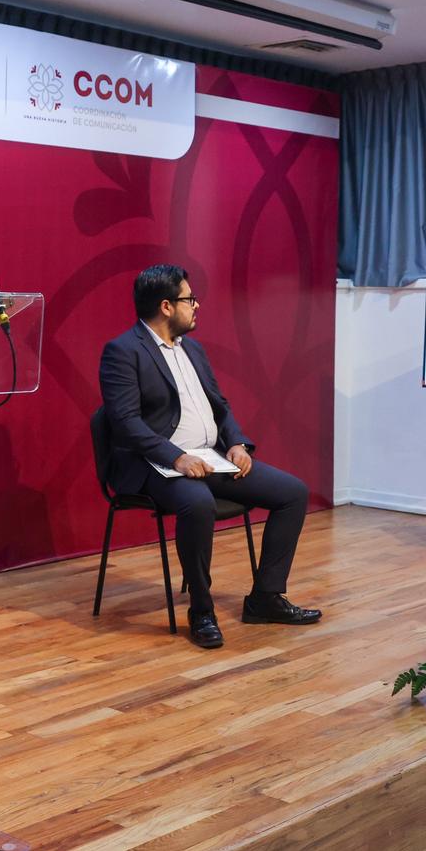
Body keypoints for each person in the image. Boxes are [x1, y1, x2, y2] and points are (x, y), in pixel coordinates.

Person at [98, 264, 323, 649]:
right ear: (166, 306)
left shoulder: (194, 349)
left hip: (210, 458)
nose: (197, 305)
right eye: (190, 299)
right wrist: (176, 458)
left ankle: (265, 598)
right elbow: (124, 423)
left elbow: (221, 406)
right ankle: (201, 611)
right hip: (154, 464)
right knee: (198, 503)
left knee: (293, 493)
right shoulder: (123, 351)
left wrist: (237, 443)